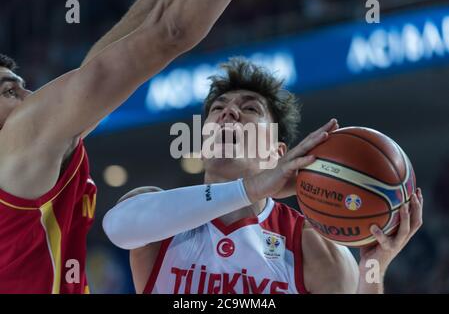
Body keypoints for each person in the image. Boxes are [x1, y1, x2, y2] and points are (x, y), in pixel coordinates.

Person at [103, 59, 424, 294]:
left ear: (277, 151)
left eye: (251, 108)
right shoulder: (159, 216)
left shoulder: (311, 244)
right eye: (218, 108)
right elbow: (118, 227)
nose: (229, 112)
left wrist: (373, 268)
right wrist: (251, 187)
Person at [0, 0, 235, 293]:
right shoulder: (21, 138)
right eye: (9, 92)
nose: (29, 98)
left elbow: (121, 46)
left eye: (23, 86)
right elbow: (169, 30)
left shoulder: (36, 150)